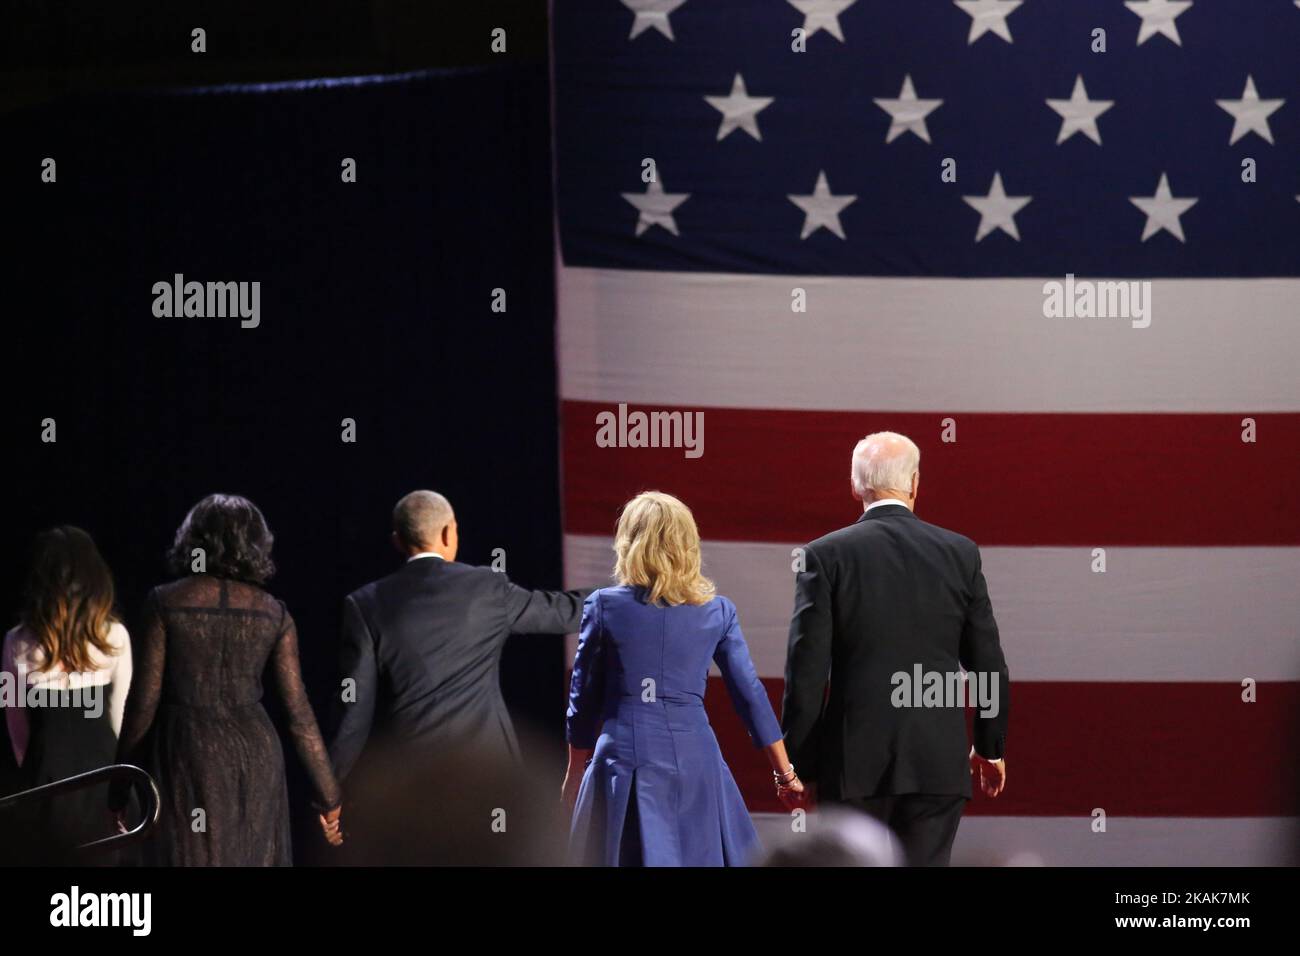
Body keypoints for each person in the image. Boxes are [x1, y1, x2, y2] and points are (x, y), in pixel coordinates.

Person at [782, 431, 1010, 866]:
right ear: (915, 484)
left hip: (852, 766)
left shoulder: (825, 556)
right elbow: (987, 663)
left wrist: (800, 766)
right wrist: (989, 745)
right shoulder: (959, 553)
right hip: (936, 763)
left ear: (854, 486)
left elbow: (806, 674)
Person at [327, 490, 590, 850]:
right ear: (450, 533)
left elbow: (353, 712)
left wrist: (331, 795)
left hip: (408, 783)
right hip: (489, 778)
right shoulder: (487, 587)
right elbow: (565, 611)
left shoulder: (365, 604)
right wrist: (635, 591)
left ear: (398, 541)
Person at [564, 491, 802, 866]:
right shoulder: (717, 611)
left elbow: (583, 698)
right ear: (688, 545)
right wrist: (784, 773)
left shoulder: (604, 606)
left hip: (624, 760)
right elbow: (749, 693)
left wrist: (575, 771)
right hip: (696, 760)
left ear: (629, 542)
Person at [108, 494, 342, 865]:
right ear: (255, 545)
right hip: (256, 754)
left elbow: (142, 704)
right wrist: (329, 796)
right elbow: (299, 715)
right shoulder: (273, 613)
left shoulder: (164, 602)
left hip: (187, 751)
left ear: (194, 540)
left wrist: (118, 791)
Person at [1, 527, 132, 853]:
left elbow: (15, 725)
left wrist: (38, 768)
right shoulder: (115, 636)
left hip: (45, 792)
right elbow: (121, 721)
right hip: (103, 791)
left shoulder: (16, 641)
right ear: (95, 578)